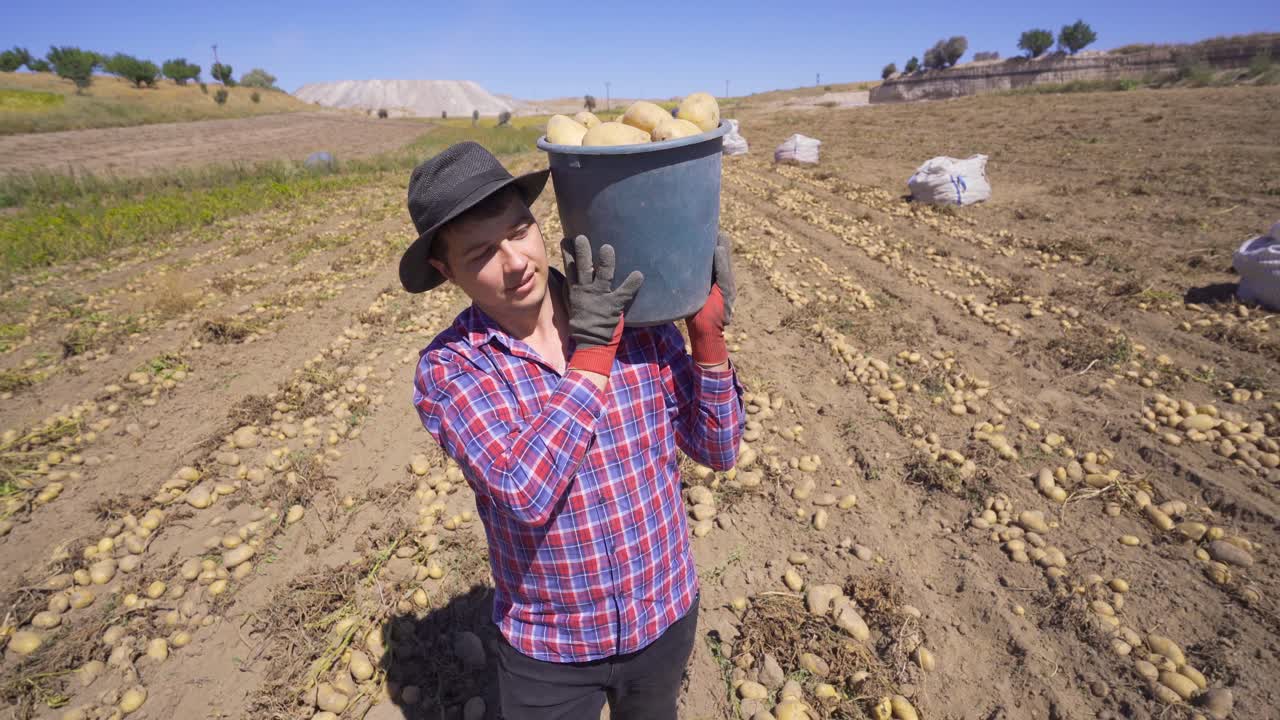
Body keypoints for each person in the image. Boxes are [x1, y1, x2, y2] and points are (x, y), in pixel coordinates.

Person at [400, 141, 744, 719]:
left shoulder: (639, 319)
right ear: (445, 270)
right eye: (482, 251)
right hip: (549, 651)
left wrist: (707, 340)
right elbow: (524, 491)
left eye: (519, 231)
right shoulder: (453, 368)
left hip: (662, 616)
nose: (515, 263)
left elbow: (719, 448)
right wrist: (593, 356)